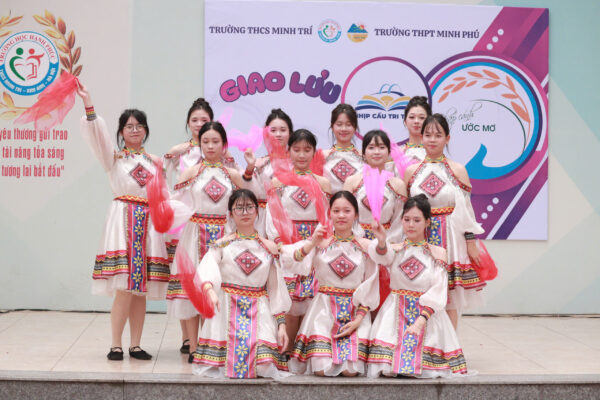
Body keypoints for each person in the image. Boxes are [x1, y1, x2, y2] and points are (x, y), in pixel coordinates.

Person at [77, 84, 169, 361]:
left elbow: (164, 195)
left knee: (140, 291)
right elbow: (98, 136)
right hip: (123, 220)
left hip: (148, 224)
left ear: (146, 130)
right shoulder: (113, 158)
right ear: (120, 132)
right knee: (124, 288)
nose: (135, 130)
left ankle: (136, 345)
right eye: (129, 126)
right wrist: (89, 103)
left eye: (139, 126)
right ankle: (116, 344)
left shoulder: (155, 162)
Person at [167, 121, 248, 362]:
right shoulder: (190, 173)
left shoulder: (233, 175)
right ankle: (194, 347)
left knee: (221, 290)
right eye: (206, 142)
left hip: (224, 237)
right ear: (199, 144)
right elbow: (177, 204)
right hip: (194, 234)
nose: (210, 146)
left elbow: (242, 207)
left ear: (224, 144)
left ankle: (215, 344)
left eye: (215, 141)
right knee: (193, 291)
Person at [279, 191, 382, 376]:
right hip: (324, 311)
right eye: (336, 211)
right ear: (329, 214)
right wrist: (312, 242)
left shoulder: (366, 246)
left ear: (356, 214)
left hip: (355, 312)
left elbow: (370, 286)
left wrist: (359, 319)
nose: (341, 215)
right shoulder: (321, 243)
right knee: (322, 369)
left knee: (350, 371)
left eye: (347, 211)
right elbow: (291, 260)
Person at [192, 189, 291, 379]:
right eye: (239, 208)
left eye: (249, 207)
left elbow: (275, 288)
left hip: (259, 309)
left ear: (257, 211)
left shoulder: (268, 247)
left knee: (264, 365)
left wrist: (281, 325)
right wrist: (210, 291)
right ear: (230, 214)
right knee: (219, 367)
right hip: (227, 309)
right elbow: (206, 268)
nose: (245, 212)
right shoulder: (221, 244)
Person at [367, 194, 467, 378]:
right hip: (394, 313)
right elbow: (382, 256)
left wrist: (421, 321)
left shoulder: (438, 252)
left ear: (427, 222)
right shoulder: (395, 249)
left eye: (416, 220)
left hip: (427, 315)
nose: (411, 225)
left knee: (426, 369)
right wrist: (381, 240)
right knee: (387, 368)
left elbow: (439, 289)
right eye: (406, 220)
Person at [404, 114, 485, 329]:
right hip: (420, 236)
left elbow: (466, 209)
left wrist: (470, 241)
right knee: (420, 288)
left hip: (451, 236)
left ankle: (450, 343)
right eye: (428, 135)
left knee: (449, 297)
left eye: (438, 135)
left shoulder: (458, 170)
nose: (432, 140)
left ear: (447, 138)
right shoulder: (411, 172)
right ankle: (421, 341)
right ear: (421, 137)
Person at [265, 128, 331, 351]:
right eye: (296, 150)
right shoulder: (278, 182)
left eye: (307, 150)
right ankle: (286, 351)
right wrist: (279, 244)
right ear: (289, 152)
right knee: (290, 303)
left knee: (312, 302)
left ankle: (306, 353)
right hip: (289, 246)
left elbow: (328, 216)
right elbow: (272, 215)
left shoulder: (323, 183)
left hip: (316, 245)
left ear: (314, 152)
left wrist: (322, 242)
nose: (302, 155)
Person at [344, 129, 407, 243]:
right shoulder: (352, 182)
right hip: (357, 242)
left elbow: (399, 220)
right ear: (363, 153)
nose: (376, 152)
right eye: (371, 147)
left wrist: (386, 244)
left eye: (382, 147)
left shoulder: (398, 185)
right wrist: (359, 241)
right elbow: (346, 215)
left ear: (389, 153)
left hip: (388, 243)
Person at [243, 108, 294, 236]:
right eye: (273, 130)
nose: (278, 134)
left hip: (290, 219)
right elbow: (247, 194)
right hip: (262, 222)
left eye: (283, 130)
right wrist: (250, 167)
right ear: (266, 134)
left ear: (290, 134)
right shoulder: (259, 164)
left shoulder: (298, 166)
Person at [322, 104, 363, 192]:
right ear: (332, 126)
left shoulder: (364, 157)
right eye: (339, 124)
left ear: (355, 127)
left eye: (348, 124)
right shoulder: (322, 156)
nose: (343, 129)